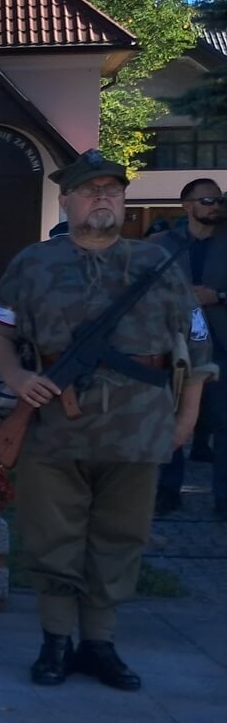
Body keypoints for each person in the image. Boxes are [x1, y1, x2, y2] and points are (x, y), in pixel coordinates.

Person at [0, 151, 212, 690]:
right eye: (91, 191)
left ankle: (100, 643)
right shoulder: (33, 264)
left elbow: (198, 346)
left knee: (120, 536)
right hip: (53, 427)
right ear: (67, 200)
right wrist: (16, 379)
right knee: (52, 534)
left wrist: (187, 418)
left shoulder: (158, 265)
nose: (103, 198)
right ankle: (56, 642)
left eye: (112, 189)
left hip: (139, 425)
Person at [149, 178, 227, 517]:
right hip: (171, 346)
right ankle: (167, 492)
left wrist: (219, 296)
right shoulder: (160, 245)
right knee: (168, 418)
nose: (215, 206)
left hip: (222, 345)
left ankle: (224, 500)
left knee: (224, 423)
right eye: (207, 200)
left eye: (218, 200)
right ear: (187, 205)